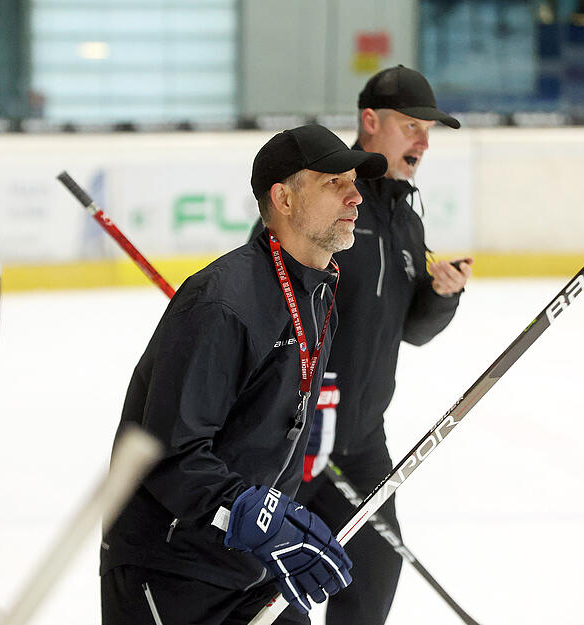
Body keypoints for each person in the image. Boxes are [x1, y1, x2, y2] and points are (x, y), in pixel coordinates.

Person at [100, 124, 387, 625]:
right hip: (171, 570)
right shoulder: (223, 305)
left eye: (354, 182)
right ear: (284, 199)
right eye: (333, 182)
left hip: (250, 568)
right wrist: (259, 519)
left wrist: (272, 524)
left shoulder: (318, 294)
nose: (356, 196)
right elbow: (169, 454)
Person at [251, 64, 472, 625]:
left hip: (362, 443)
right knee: (276, 600)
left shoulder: (405, 220)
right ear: (370, 122)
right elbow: (264, 288)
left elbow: (412, 330)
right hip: (292, 443)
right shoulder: (327, 195)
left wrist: (442, 296)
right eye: (411, 125)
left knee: (373, 579)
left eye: (428, 130)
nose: (422, 140)